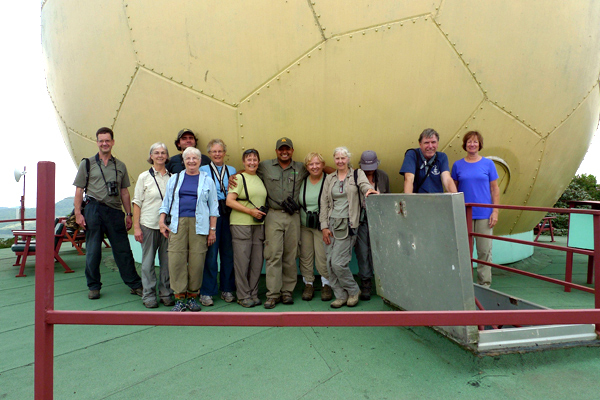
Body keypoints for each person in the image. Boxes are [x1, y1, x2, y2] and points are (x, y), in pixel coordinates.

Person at [73, 127, 143, 300]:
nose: (104, 143)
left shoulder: (120, 166)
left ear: (112, 142)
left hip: (114, 210)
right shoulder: (87, 164)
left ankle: (134, 284)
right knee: (93, 251)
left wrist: (128, 214)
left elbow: (125, 192)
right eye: (101, 140)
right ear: (97, 142)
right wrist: (78, 213)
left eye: (107, 140)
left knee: (123, 250)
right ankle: (94, 286)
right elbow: (79, 190)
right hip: (93, 208)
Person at [159, 147, 219, 311]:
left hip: (200, 225)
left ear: (200, 161)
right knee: (176, 260)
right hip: (177, 224)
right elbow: (166, 202)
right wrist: (162, 221)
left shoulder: (207, 180)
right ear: (183, 161)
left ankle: (192, 296)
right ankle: (179, 297)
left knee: (197, 261)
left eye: (195, 158)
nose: (191, 161)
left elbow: (213, 207)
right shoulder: (175, 179)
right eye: (188, 158)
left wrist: (212, 230)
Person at [320, 147, 378, 308]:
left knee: (338, 263)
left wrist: (370, 191)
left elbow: (365, 186)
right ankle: (340, 295)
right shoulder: (330, 178)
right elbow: (323, 203)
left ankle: (353, 290)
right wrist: (324, 226)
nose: (340, 161)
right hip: (332, 224)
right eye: (337, 158)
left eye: (343, 158)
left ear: (348, 159)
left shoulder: (356, 174)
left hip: (348, 224)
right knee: (330, 262)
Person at [257, 137, 309, 309]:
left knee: (290, 255)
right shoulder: (265, 166)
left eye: (287, 149)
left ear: (292, 151)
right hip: (273, 215)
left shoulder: (301, 167)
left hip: (293, 216)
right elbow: (249, 171)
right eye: (281, 149)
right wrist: (235, 175)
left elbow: (320, 169)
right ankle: (272, 294)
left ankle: (287, 292)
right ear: (276, 151)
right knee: (273, 255)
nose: (284, 152)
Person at [451, 131, 499, 287]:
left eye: (475, 142)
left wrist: (495, 211)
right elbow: (454, 189)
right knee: (464, 252)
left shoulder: (488, 164)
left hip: (484, 214)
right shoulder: (458, 165)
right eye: (469, 142)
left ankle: (484, 284)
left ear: (480, 144)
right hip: (464, 214)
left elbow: (494, 189)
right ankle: (464, 285)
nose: (472, 144)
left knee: (484, 251)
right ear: (465, 144)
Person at [132, 142, 174, 308]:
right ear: (151, 156)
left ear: (167, 156)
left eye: (163, 152)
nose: (160, 155)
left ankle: (166, 292)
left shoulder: (172, 177)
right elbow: (137, 203)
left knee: (167, 262)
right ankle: (148, 294)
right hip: (148, 224)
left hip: (167, 227)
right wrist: (136, 227)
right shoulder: (144, 177)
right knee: (148, 262)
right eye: (156, 153)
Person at [226, 149, 268, 307]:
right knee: (242, 261)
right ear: (243, 162)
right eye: (248, 159)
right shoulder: (238, 178)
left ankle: (253, 293)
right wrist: (250, 211)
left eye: (255, 159)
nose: (252, 162)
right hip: (241, 224)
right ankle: (243, 295)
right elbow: (230, 201)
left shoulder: (259, 178)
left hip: (258, 225)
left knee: (257, 262)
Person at [198, 139, 237, 306]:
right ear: (209, 154)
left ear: (225, 153)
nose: (217, 154)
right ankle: (207, 291)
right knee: (211, 253)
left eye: (220, 151)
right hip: (211, 213)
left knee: (228, 252)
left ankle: (227, 288)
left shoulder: (232, 170)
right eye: (214, 151)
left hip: (229, 211)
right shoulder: (203, 170)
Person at [354, 150, 390, 300]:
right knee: (363, 252)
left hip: (379, 219)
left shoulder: (383, 176)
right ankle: (366, 282)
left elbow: (387, 196)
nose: (369, 170)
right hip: (361, 218)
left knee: (381, 250)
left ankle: (385, 283)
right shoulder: (355, 175)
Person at [298, 152, 332, 301]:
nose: (314, 166)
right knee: (305, 255)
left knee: (322, 255)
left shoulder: (329, 180)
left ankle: (326, 284)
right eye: (311, 164)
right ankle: (308, 283)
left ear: (323, 165)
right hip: (304, 224)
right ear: (306, 167)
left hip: (321, 225)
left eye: (318, 163)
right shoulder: (302, 181)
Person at [400, 128, 457, 194]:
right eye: (426, 143)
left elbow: (447, 179)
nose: (430, 146)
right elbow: (409, 178)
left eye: (433, 142)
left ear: (438, 144)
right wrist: (408, 199)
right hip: (418, 200)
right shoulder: (412, 155)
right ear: (420, 144)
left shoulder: (442, 157)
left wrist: (455, 198)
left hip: (437, 200)